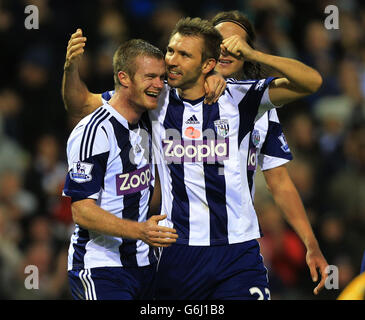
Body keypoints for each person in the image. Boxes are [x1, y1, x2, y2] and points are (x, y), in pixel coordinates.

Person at [62, 17, 323, 300]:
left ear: (207, 64)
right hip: (177, 251)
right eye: (171, 51)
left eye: (184, 55)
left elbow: (311, 82)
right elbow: (81, 104)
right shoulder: (155, 97)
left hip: (237, 251)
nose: (171, 60)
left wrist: (254, 55)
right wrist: (70, 67)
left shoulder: (244, 98)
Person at [211, 10, 329, 296]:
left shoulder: (259, 106)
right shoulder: (172, 99)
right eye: (218, 43)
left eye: (236, 44)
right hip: (182, 247)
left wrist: (311, 243)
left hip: (240, 248)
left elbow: (279, 182)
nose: (226, 49)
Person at [62, 39, 178, 300]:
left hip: (145, 265)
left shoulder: (148, 116)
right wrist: (141, 231)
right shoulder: (94, 132)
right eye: (150, 76)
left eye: (161, 77)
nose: (159, 85)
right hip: (101, 268)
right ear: (124, 78)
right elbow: (82, 212)